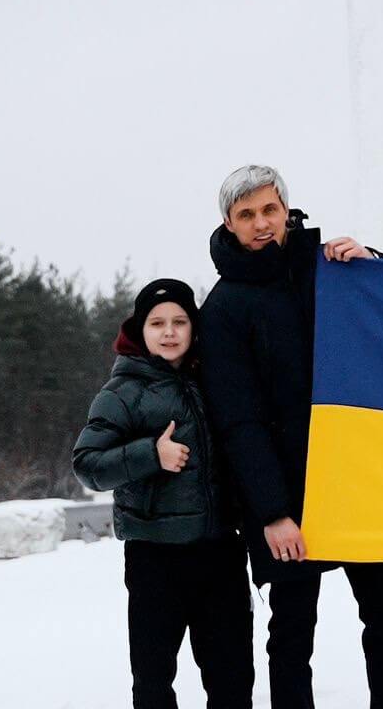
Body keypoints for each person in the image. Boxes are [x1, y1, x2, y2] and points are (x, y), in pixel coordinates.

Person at [198, 164, 383, 709]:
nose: (261, 223)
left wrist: (372, 264)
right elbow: (238, 421)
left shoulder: (331, 271)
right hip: (286, 497)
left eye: (269, 209)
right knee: (292, 633)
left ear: (286, 210)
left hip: (358, 479)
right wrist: (273, 513)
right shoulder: (222, 309)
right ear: (229, 223)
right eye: (247, 214)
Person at [73, 278, 253, 709]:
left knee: (232, 681)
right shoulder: (122, 392)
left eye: (179, 321)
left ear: (194, 327)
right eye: (157, 323)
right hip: (155, 557)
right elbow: (88, 465)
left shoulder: (216, 381)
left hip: (220, 552)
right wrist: (150, 455)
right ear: (141, 330)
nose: (169, 332)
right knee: (153, 682)